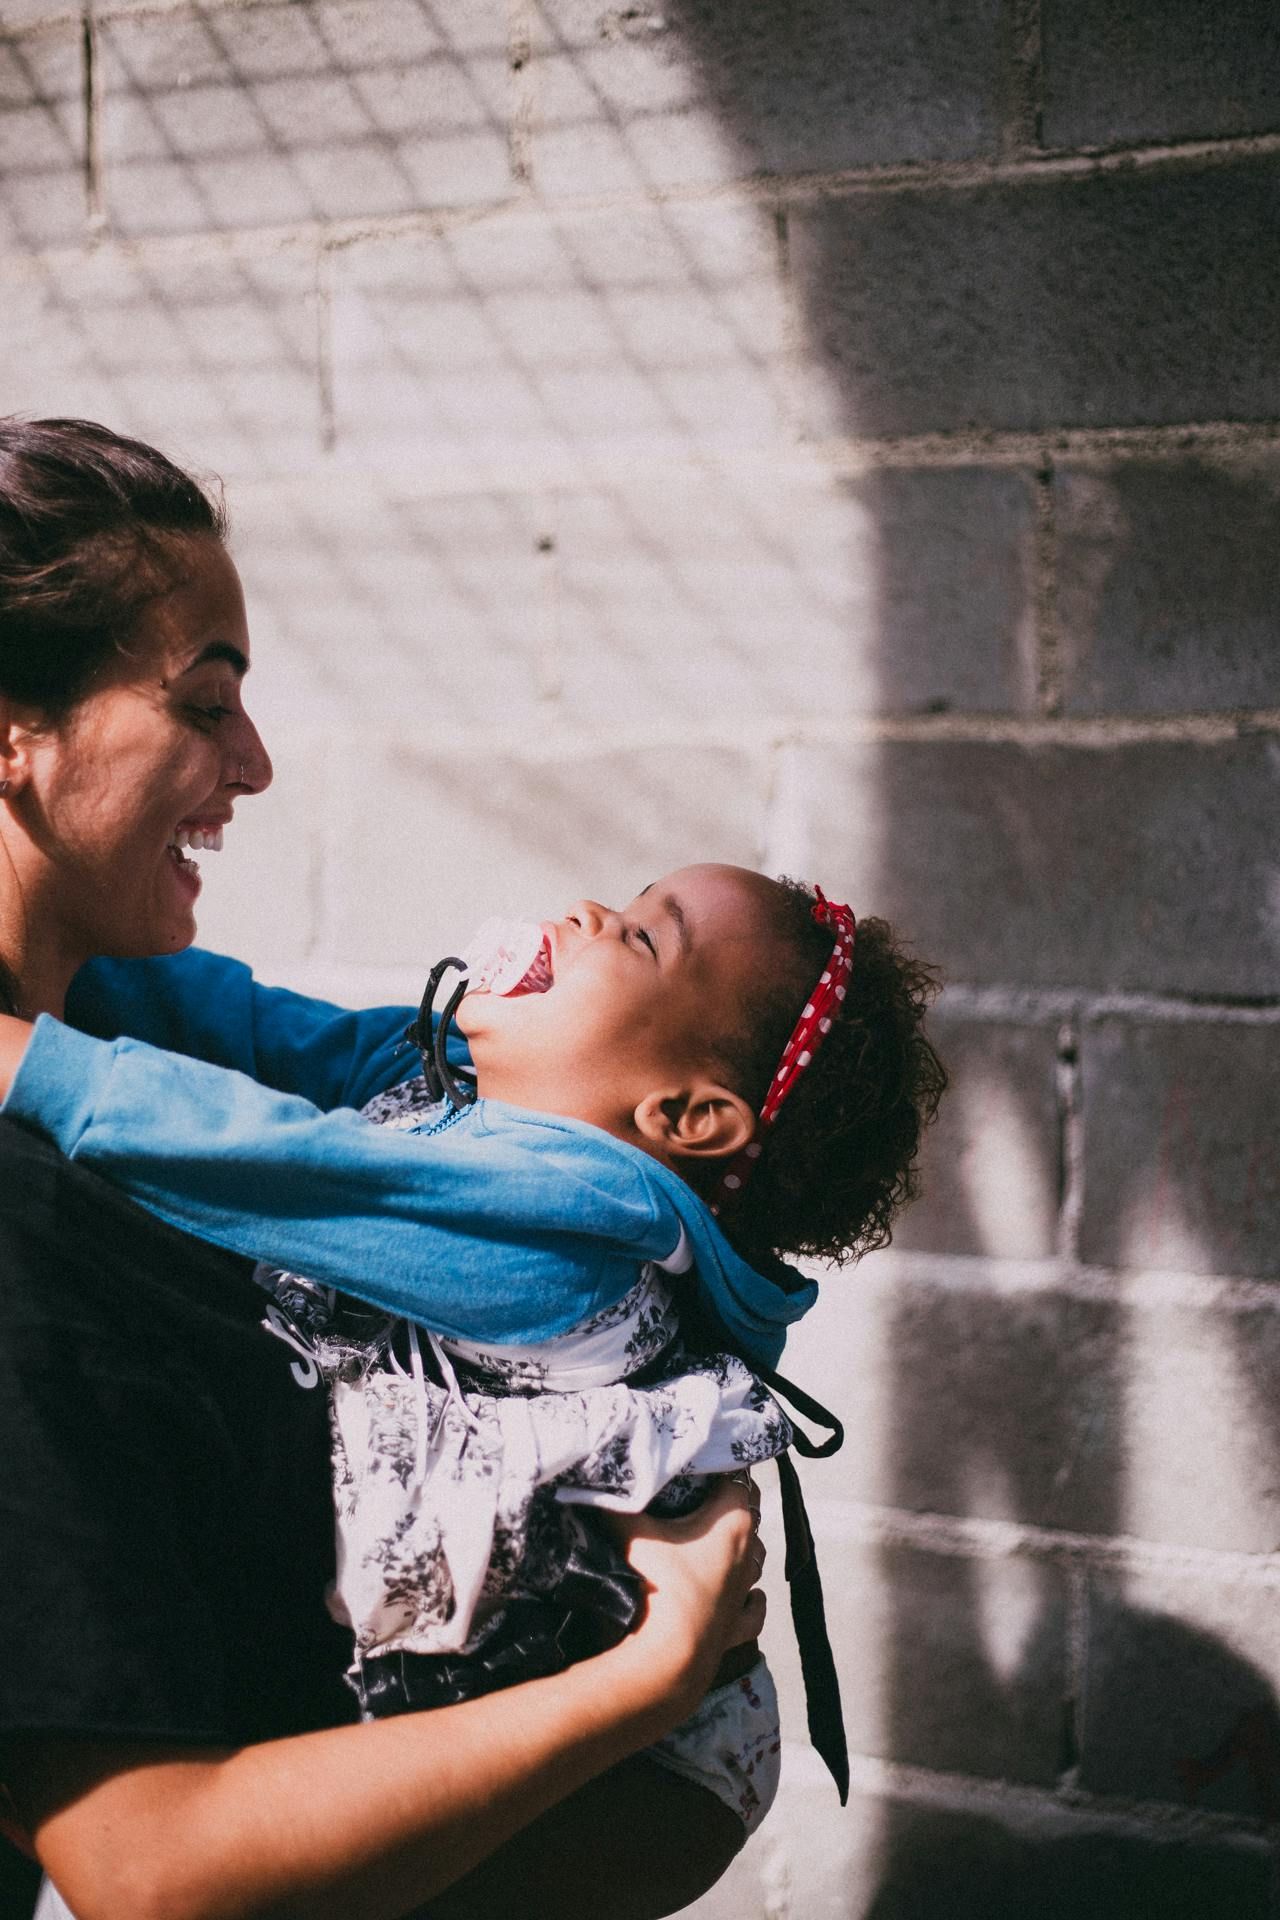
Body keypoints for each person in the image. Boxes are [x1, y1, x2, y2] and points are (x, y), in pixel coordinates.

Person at [0, 416, 764, 1920]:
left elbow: (331, 1069)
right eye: (205, 702)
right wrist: (651, 1678)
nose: (259, 762)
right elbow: (152, 1867)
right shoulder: (31, 1198)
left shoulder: (126, 1056)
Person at [0, 862, 947, 1839]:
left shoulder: (567, 1246)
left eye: (637, 938)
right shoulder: (454, 1089)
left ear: (683, 1118)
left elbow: (279, 1165)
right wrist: (69, 928)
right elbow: (249, 1031)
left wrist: (27, 1065)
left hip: (616, 1747)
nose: (584, 912)